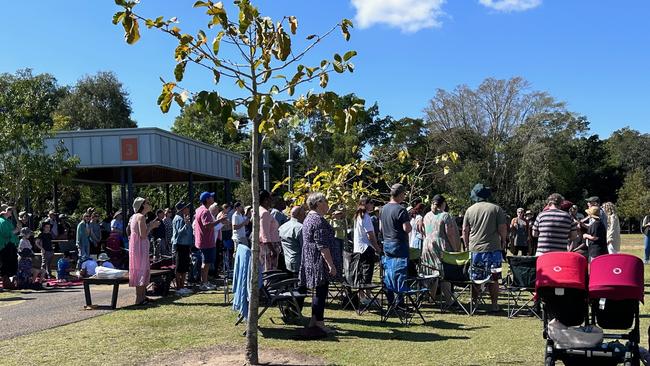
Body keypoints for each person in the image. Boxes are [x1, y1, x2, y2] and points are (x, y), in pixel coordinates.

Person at [462, 183, 507, 312]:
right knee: (494, 278)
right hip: (493, 248)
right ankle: (494, 304)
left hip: (475, 249)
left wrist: (466, 245)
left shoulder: (469, 210)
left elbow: (465, 230)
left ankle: (474, 302)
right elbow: (502, 228)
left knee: (475, 277)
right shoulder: (496, 209)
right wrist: (503, 241)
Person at [299, 192, 339, 335]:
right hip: (318, 261)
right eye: (325, 201)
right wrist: (331, 264)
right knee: (321, 291)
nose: (328, 203)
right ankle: (320, 322)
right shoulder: (317, 221)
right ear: (318, 204)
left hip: (312, 260)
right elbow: (323, 245)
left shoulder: (309, 218)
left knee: (319, 291)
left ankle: (314, 321)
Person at [420, 194, 460, 303]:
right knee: (444, 273)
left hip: (427, 245)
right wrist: (455, 248)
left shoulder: (427, 215)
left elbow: (423, 231)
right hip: (440, 245)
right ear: (443, 204)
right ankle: (448, 299)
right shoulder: (445, 215)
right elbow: (450, 234)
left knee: (432, 273)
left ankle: (431, 297)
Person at [380, 183, 412, 307]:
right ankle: (400, 302)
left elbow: (381, 228)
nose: (404, 197)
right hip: (399, 243)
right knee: (400, 272)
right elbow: (407, 228)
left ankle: (390, 300)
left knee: (388, 271)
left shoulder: (383, 209)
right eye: (404, 194)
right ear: (399, 194)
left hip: (387, 243)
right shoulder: (401, 209)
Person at [129, 197, 160, 305]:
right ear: (142, 205)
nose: (149, 204)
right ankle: (139, 298)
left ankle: (142, 297)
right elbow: (143, 234)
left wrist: (149, 225)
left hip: (137, 247)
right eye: (147, 202)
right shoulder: (141, 217)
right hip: (140, 247)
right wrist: (151, 226)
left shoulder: (135, 216)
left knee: (139, 270)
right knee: (141, 270)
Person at [352, 197, 381, 305]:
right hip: (365, 248)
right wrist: (377, 248)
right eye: (371, 202)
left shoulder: (358, 216)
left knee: (361, 273)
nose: (373, 205)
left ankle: (363, 295)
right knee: (367, 274)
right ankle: (366, 297)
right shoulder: (366, 217)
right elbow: (370, 235)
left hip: (358, 249)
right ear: (366, 204)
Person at [194, 192, 224, 291]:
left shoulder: (199, 209)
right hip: (206, 241)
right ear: (207, 199)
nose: (213, 198)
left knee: (205, 262)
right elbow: (207, 225)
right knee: (206, 263)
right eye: (211, 197)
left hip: (202, 240)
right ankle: (204, 283)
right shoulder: (205, 211)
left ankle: (205, 282)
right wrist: (220, 220)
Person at [172, 201, 194, 295]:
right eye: (186, 207)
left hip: (185, 245)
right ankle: (179, 288)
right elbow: (178, 233)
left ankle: (183, 287)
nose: (188, 209)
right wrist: (186, 224)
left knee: (185, 267)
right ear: (182, 209)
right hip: (180, 245)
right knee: (179, 267)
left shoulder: (183, 218)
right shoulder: (178, 219)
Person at [259, 190, 281, 272]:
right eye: (270, 199)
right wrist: (272, 250)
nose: (271, 201)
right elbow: (265, 233)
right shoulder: (264, 213)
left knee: (265, 269)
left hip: (265, 246)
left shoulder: (259, 210)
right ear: (266, 200)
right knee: (269, 271)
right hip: (268, 246)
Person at [279, 206, 305, 274]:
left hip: (286, 262)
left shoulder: (282, 227)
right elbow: (304, 248)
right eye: (304, 214)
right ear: (300, 215)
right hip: (299, 263)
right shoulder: (301, 228)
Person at [0, 205, 20, 289]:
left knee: (11, 264)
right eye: (9, 210)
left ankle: (10, 282)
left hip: (10, 245)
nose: (11, 211)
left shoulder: (7, 221)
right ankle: (7, 283)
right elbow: (6, 234)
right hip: (5, 246)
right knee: (6, 265)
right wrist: (16, 230)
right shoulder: (2, 221)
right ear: (4, 211)